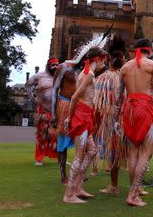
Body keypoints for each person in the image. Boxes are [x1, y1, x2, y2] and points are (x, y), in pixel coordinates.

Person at [118, 38, 153, 206]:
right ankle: (132, 195)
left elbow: (119, 97)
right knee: (146, 152)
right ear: (150, 50)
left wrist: (118, 118)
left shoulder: (124, 68)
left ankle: (136, 189)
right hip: (144, 109)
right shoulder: (152, 66)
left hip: (128, 111)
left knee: (133, 152)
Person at [63, 47, 107, 204]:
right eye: (103, 60)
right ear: (98, 59)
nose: (104, 64)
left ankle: (78, 187)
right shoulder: (88, 74)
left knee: (92, 150)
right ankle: (69, 194)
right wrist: (69, 117)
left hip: (86, 115)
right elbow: (75, 97)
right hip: (81, 116)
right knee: (79, 155)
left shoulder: (86, 73)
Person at [95, 35, 128, 195]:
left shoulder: (106, 77)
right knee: (124, 152)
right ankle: (134, 187)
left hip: (119, 120)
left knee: (120, 153)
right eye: (117, 57)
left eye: (118, 57)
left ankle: (117, 186)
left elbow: (98, 104)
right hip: (121, 120)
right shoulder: (127, 75)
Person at [51, 60, 82, 184]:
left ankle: (78, 173)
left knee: (82, 141)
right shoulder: (63, 67)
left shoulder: (85, 69)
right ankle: (63, 175)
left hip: (79, 108)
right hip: (65, 106)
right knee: (62, 143)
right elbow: (54, 90)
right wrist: (53, 114)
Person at [25, 58, 59, 166]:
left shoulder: (59, 77)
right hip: (42, 110)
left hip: (55, 110)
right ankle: (39, 158)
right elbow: (27, 85)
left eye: (57, 65)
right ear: (48, 65)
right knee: (42, 134)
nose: (55, 67)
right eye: (53, 65)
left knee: (56, 134)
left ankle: (58, 156)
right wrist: (32, 98)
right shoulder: (39, 76)